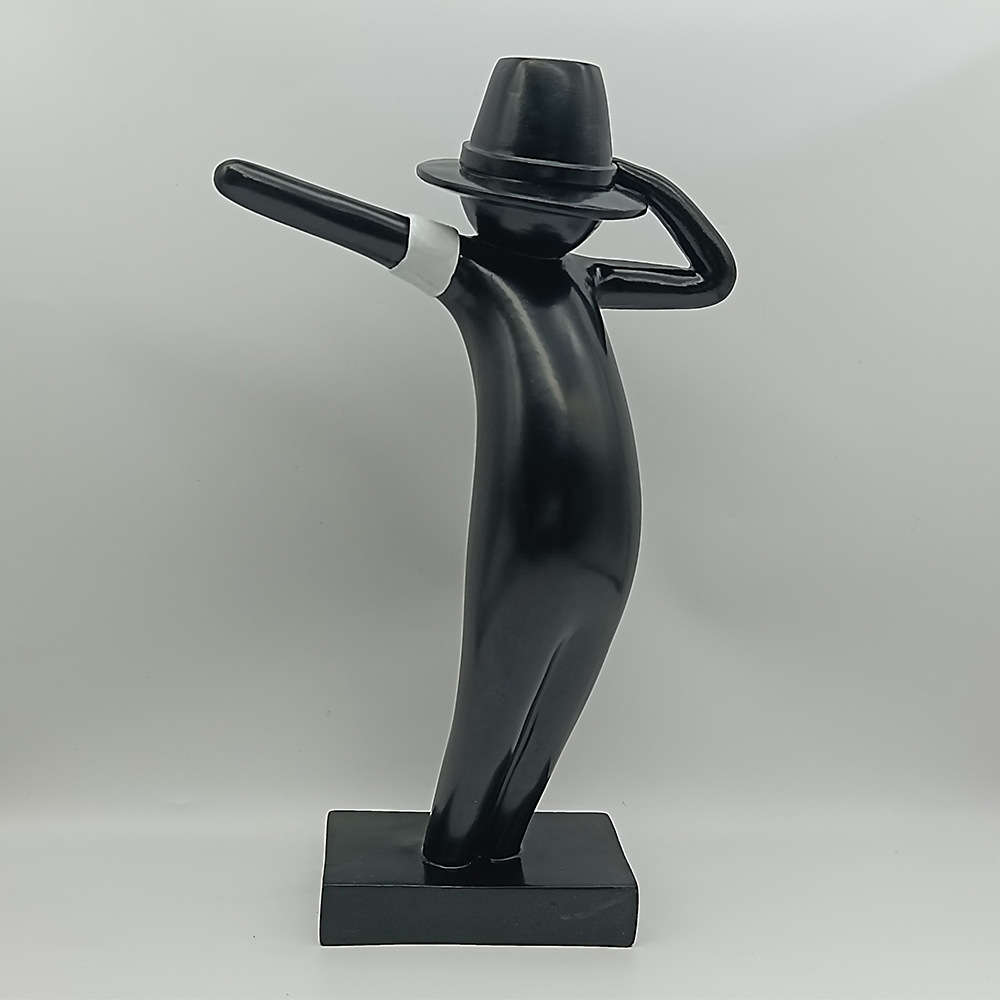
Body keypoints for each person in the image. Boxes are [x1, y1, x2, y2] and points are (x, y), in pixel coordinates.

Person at [214, 57, 736, 869]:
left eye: (581, 202)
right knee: (494, 710)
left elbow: (712, 279)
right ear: (472, 198)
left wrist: (641, 181)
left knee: (550, 722)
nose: (564, 219)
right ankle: (454, 852)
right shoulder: (467, 268)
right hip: (524, 541)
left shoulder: (586, 277)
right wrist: (241, 180)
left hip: (609, 542)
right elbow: (335, 217)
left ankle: (497, 847)